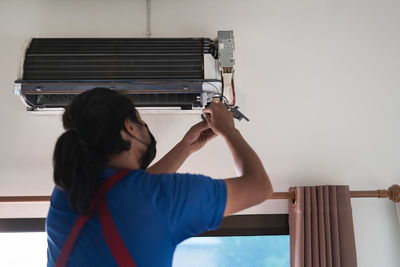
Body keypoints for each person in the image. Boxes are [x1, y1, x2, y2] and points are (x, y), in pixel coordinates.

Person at [46, 88, 273, 267]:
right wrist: (229, 130)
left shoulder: (67, 193)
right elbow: (259, 186)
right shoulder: (163, 197)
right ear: (130, 128)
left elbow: (129, 196)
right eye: (141, 121)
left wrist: (186, 147)